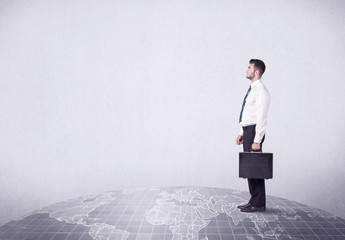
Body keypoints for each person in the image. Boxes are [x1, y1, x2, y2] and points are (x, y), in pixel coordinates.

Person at [236, 59, 270, 213]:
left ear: (257, 72)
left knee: (255, 168)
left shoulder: (261, 90)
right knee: (250, 168)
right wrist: (241, 132)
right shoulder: (252, 89)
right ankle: (254, 201)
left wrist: (257, 140)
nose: (246, 70)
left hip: (255, 131)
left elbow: (261, 117)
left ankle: (258, 203)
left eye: (249, 67)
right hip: (249, 130)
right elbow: (249, 114)